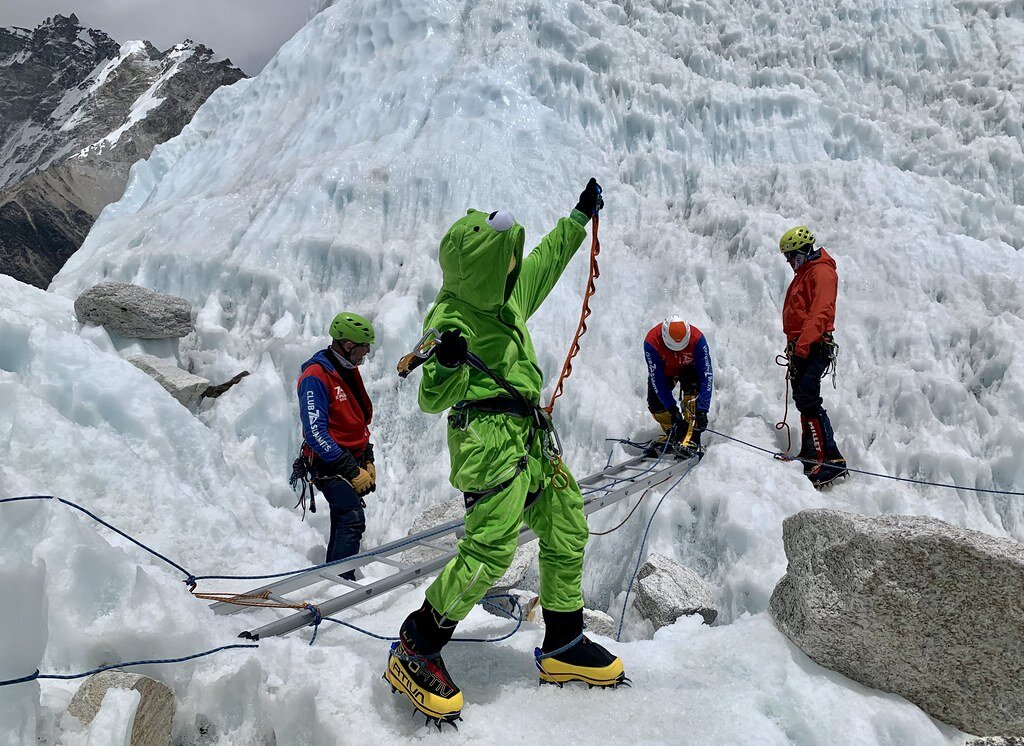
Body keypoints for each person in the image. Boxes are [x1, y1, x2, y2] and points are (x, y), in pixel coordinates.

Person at [384, 179, 625, 725]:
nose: (516, 269)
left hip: (527, 436)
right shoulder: (451, 319)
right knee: (491, 550)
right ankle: (417, 643)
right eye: (506, 262)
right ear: (484, 271)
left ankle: (563, 642)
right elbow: (429, 395)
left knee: (565, 523)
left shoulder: (505, 300)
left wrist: (577, 218)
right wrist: (446, 359)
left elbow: (542, 262)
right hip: (488, 442)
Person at [296, 312, 377, 580]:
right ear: (348, 344)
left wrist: (367, 459)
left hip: (348, 457)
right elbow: (315, 433)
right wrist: (352, 471)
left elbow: (354, 422)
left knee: (345, 515)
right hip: (327, 460)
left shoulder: (346, 369)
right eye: (364, 347)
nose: (366, 353)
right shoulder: (315, 376)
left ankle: (333, 574)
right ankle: (341, 581)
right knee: (351, 515)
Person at [778, 225, 848, 488]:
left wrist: (802, 347)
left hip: (813, 346)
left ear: (804, 251)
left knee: (808, 399)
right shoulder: (807, 271)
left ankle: (829, 459)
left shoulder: (821, 272)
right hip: (804, 345)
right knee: (803, 398)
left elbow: (820, 313)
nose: (789, 262)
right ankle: (812, 454)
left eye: (791, 256)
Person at [643, 315, 713, 457]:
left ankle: (691, 435)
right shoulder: (652, 342)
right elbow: (657, 379)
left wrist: (702, 411)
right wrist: (672, 409)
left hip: (689, 369)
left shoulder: (697, 339)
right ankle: (674, 431)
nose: (677, 351)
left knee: (692, 386)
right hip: (666, 370)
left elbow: (706, 376)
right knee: (655, 402)